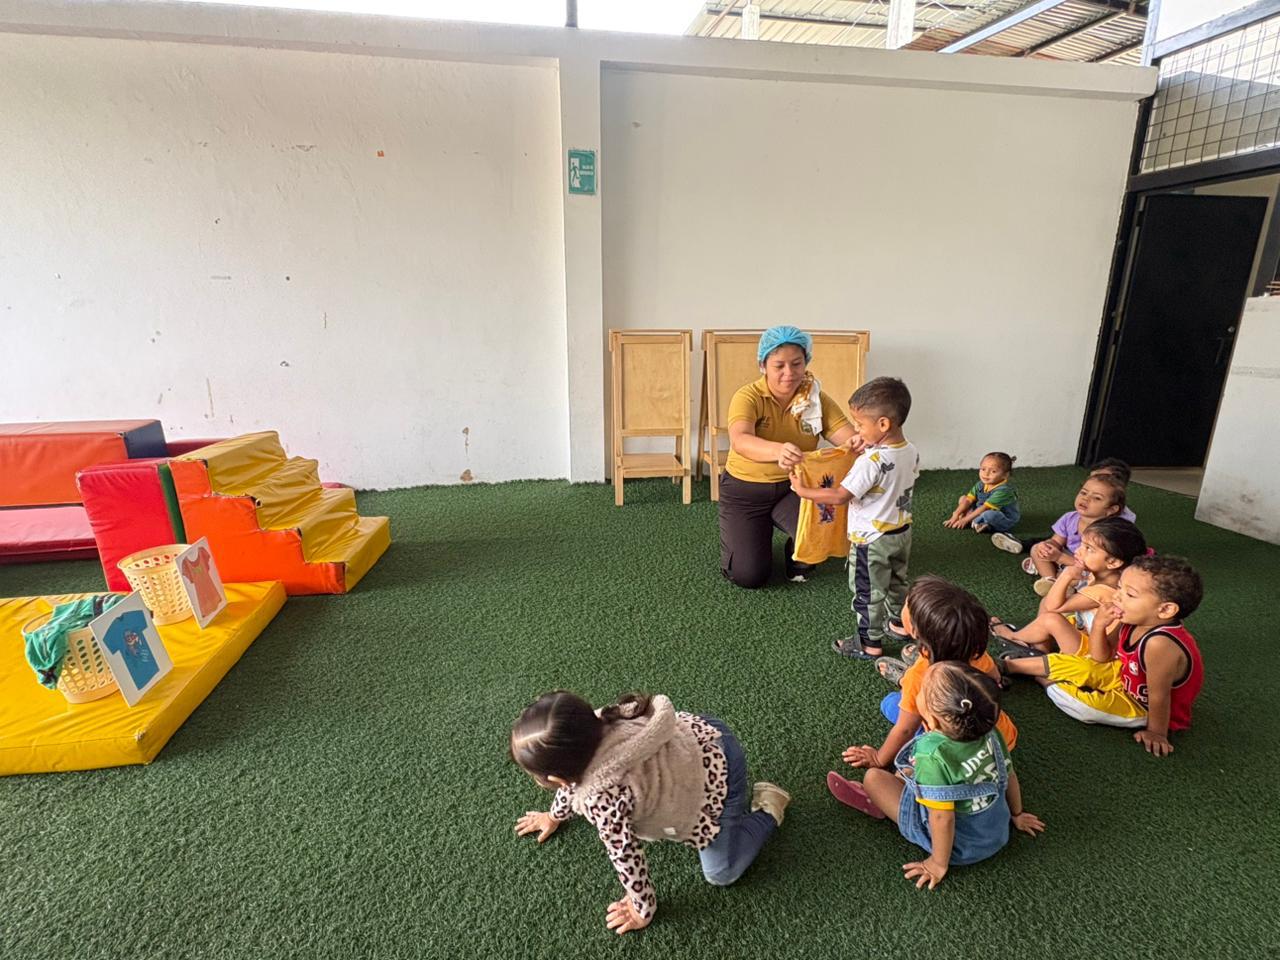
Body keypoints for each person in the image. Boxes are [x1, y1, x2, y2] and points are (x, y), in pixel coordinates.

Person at [511, 691, 789, 935]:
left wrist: (641, 908)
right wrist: (554, 816)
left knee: (721, 872)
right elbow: (573, 784)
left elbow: (625, 855)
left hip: (720, 777)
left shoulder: (602, 798)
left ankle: (769, 808)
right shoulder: (593, 723)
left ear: (557, 779)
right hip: (704, 730)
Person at [826, 662, 1044, 889]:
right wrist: (1017, 814)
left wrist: (938, 864)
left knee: (874, 778)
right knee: (909, 772)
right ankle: (901, 785)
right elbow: (1009, 776)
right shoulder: (992, 733)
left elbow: (942, 818)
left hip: (959, 846)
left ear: (932, 720)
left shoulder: (931, 753)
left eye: (921, 691)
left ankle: (876, 802)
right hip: (996, 832)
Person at [828, 576, 1018, 799]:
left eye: (906, 605)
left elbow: (905, 730)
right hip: (1001, 739)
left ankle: (890, 796)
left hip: (955, 757)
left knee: (891, 704)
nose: (904, 605)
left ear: (916, 631)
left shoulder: (920, 677)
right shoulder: (975, 651)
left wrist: (879, 759)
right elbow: (994, 678)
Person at [1001, 555, 1204, 757]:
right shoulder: (1132, 620)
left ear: (1165, 609)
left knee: (1086, 709)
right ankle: (1007, 666)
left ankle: (1044, 679)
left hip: (1143, 706)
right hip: (1123, 676)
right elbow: (1101, 657)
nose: (1117, 596)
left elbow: (1159, 696)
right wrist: (1099, 625)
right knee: (1084, 665)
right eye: (1120, 587)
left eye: (1130, 594)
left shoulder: (1159, 644)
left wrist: (1156, 733)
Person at [718, 326, 861, 589]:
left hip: (794, 488)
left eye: (796, 364)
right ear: (763, 365)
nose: (789, 373)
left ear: (806, 362)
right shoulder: (747, 396)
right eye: (779, 366)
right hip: (745, 492)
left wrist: (857, 442)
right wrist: (778, 450)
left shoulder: (816, 399)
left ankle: (795, 547)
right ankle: (755, 535)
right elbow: (740, 440)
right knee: (749, 576)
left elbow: (847, 436)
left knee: (816, 540)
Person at [789, 377, 918, 659]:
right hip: (901, 532)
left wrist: (803, 491)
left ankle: (869, 643)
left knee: (867, 591)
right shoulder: (910, 451)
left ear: (883, 424)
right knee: (897, 582)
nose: (856, 430)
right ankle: (900, 625)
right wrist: (866, 442)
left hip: (871, 541)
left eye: (859, 424)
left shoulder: (870, 462)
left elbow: (839, 496)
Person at [989, 517, 1147, 657]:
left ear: (1112, 562)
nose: (1078, 551)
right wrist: (1060, 558)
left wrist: (1066, 575)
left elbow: (1053, 606)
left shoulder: (1104, 591)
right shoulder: (1108, 575)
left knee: (1051, 618)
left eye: (1089, 549)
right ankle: (1040, 649)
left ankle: (1013, 637)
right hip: (1086, 632)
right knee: (1048, 602)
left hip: (1093, 652)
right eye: (1082, 545)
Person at [1001, 474, 1126, 597]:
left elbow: (1096, 565)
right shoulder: (1069, 518)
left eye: (1097, 498)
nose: (1086, 499)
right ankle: (1050, 579)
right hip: (1066, 557)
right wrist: (1047, 547)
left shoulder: (1109, 531)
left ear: (1111, 509)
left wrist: (1060, 558)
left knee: (1087, 577)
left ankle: (1058, 582)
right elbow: (1056, 541)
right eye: (1083, 493)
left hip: (1089, 566)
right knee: (1036, 548)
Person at [943, 452, 1020, 534]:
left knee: (990, 515)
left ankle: (980, 523)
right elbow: (968, 500)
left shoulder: (1004, 491)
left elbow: (985, 508)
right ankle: (976, 522)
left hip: (1001, 517)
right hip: (980, 510)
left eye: (993, 471)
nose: (986, 474)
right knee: (963, 498)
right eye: (983, 469)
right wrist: (956, 514)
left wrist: (965, 520)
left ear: (1005, 475)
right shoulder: (980, 484)